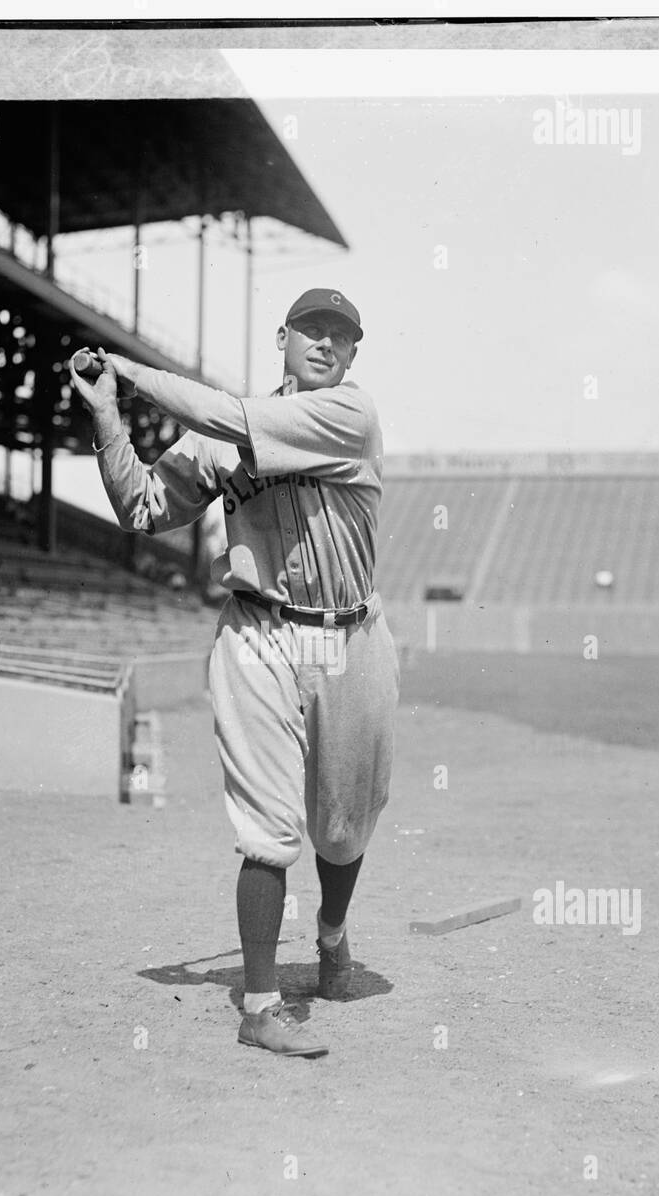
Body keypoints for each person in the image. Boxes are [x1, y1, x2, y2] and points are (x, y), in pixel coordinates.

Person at [71, 289, 400, 1058]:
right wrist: (106, 416)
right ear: (280, 337)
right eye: (311, 331)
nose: (325, 344)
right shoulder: (218, 438)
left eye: (340, 336)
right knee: (268, 830)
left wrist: (124, 368)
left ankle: (330, 935)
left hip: (349, 636)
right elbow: (144, 510)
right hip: (260, 633)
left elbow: (226, 419)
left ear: (353, 354)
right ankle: (258, 1006)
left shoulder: (348, 414)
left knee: (344, 829)